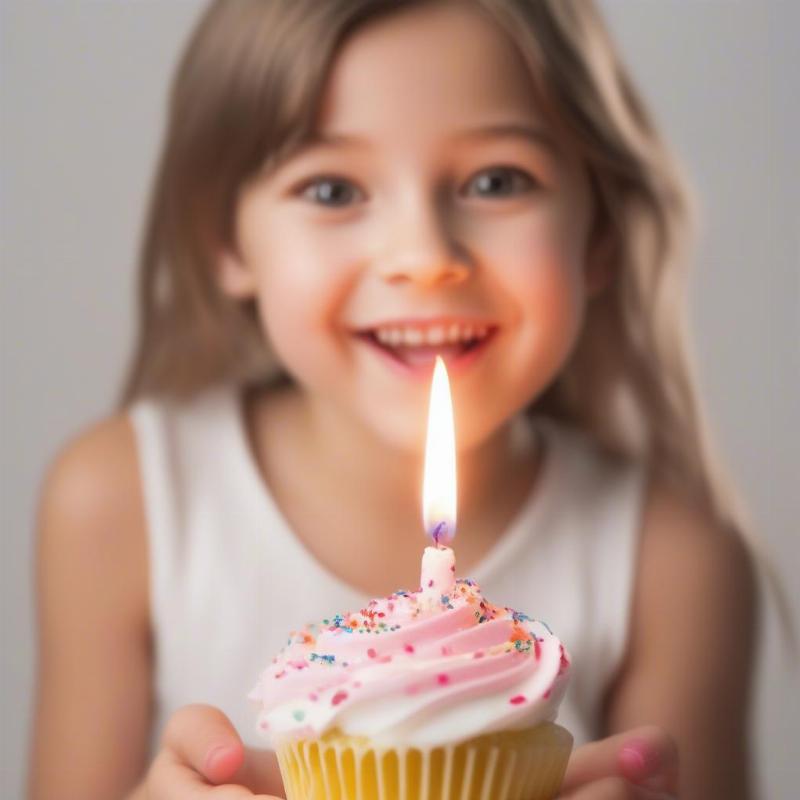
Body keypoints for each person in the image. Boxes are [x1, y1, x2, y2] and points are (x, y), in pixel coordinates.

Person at [27, 1, 761, 798]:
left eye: (496, 180)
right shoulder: (119, 503)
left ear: (602, 235)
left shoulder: (675, 561)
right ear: (228, 243)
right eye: (334, 189)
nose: (423, 257)